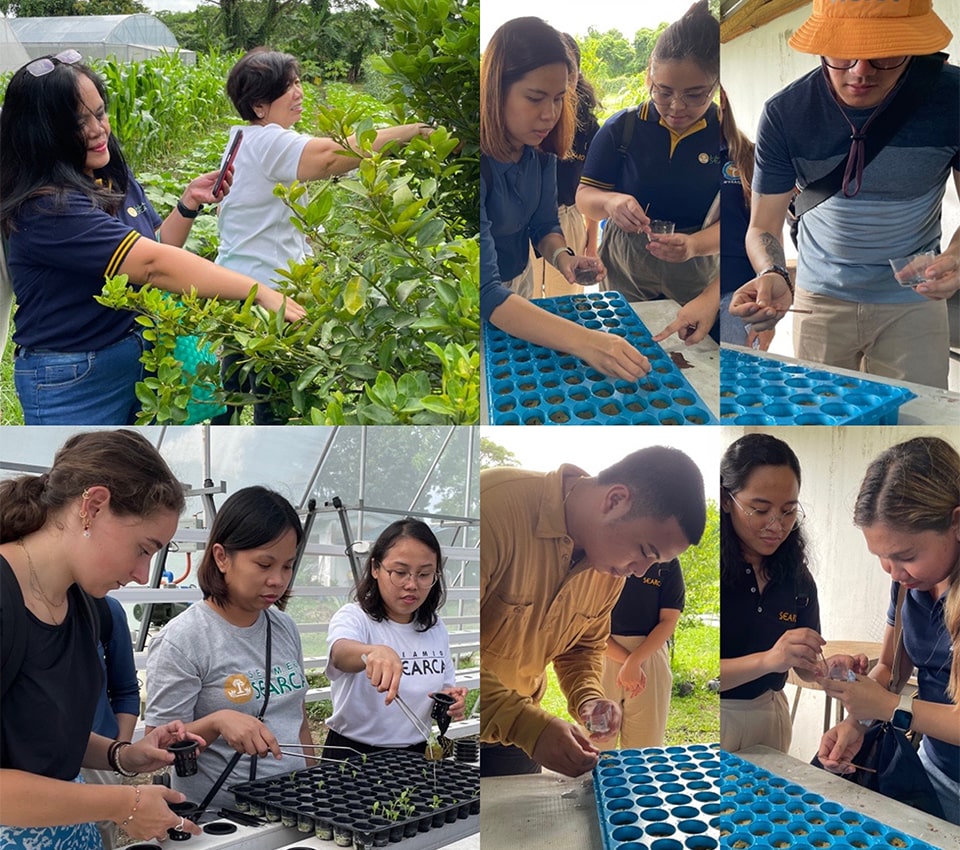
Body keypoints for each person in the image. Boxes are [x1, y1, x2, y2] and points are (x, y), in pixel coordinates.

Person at [0, 51, 305, 426]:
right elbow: (152, 265)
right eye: (78, 123)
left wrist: (188, 204)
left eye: (100, 113)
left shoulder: (108, 174)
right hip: (72, 377)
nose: (98, 130)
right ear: (40, 134)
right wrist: (260, 290)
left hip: (133, 354)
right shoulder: (47, 207)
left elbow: (155, 245)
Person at [729, 0, 959, 389]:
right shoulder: (786, 114)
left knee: (915, 409)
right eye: (843, 52)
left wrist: (955, 257)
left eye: (882, 54)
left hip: (914, 299)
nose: (860, 71)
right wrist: (772, 272)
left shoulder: (952, 100)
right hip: (819, 298)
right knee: (820, 410)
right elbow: (762, 225)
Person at [0, 429, 204, 847]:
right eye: (143, 549)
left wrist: (122, 755)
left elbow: (44, 738)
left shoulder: (85, 607)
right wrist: (122, 803)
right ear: (92, 507)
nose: (141, 574)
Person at [213, 49, 432, 423]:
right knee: (278, 401)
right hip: (268, 297)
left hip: (238, 286)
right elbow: (331, 156)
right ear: (260, 106)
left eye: (297, 81)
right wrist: (412, 132)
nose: (298, 92)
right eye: (286, 87)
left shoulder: (242, 139)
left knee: (233, 398)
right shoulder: (267, 142)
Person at [480, 445, 706, 778]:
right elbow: (443, 650)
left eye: (653, 563)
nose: (640, 572)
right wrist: (528, 726)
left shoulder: (610, 568)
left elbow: (582, 648)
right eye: (644, 551)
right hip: (456, 726)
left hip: (515, 734)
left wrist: (588, 698)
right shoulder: (493, 509)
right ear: (615, 500)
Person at [480, 17, 650, 382]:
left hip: (519, 285)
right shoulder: (478, 164)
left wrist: (564, 258)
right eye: (535, 98)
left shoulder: (538, 152)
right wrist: (588, 342)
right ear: (496, 91)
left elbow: (543, 223)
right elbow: (486, 292)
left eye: (559, 99)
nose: (550, 114)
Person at [817, 437, 960, 825]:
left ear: (956, 523)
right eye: (882, 557)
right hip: (933, 772)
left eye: (907, 556)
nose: (894, 572)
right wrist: (856, 720)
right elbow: (891, 670)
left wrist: (886, 708)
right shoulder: (907, 585)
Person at [145, 486, 313, 813]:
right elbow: (158, 747)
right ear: (222, 557)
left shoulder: (284, 628)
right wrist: (217, 722)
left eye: (288, 566)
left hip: (294, 807)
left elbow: (299, 719)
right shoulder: (185, 639)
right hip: (221, 819)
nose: (278, 580)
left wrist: (313, 786)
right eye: (264, 564)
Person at [577, 0, 721, 344]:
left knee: (692, 356)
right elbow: (585, 199)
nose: (676, 107)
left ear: (716, 85)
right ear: (648, 77)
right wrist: (611, 203)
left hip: (697, 269)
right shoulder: (622, 128)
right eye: (663, 91)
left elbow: (742, 223)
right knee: (627, 346)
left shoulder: (728, 134)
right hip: (627, 265)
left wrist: (694, 246)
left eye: (694, 95)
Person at [719, 433, 856, 753]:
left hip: (770, 713)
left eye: (788, 511)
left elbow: (803, 666)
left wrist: (827, 668)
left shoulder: (796, 577)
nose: (776, 525)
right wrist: (769, 660)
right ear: (727, 500)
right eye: (760, 509)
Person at [323, 519, 467, 756]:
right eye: (400, 572)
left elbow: (443, 688)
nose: (411, 584)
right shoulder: (355, 617)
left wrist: (452, 700)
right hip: (352, 754)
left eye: (424, 574)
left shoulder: (434, 627)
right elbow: (340, 655)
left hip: (414, 754)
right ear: (375, 569)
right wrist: (373, 652)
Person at [533, 33, 602, 298]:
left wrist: (592, 244)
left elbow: (591, 187)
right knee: (525, 301)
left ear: (574, 76)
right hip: (524, 222)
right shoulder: (527, 123)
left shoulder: (587, 129)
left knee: (565, 301)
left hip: (567, 218)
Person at [598, 560, 684, 750]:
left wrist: (635, 662)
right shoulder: (603, 555)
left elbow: (669, 621)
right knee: (596, 745)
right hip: (601, 652)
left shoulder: (667, 562)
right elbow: (588, 623)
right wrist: (628, 662)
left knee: (645, 750)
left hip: (650, 654)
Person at [81, 594, 141, 850]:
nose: (140, 576)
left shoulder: (105, 609)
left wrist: (120, 755)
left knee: (101, 832)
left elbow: (126, 689)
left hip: (100, 757)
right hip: (30, 767)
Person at [717, 87, 772, 350]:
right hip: (682, 287)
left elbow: (769, 232)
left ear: (722, 99)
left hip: (737, 293)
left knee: (731, 381)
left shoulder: (750, 156)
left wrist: (768, 309)